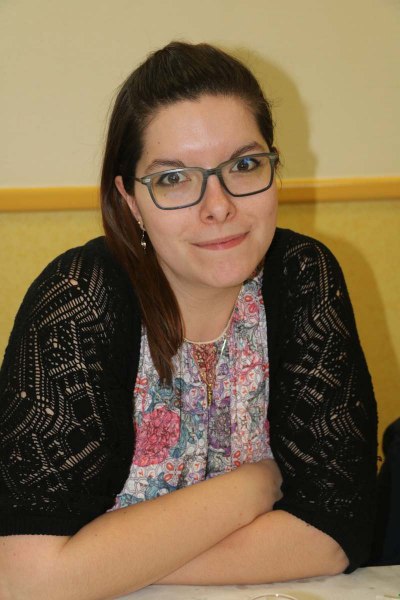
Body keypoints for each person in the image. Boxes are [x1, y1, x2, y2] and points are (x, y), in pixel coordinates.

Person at [0, 41, 377, 600]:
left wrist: (98, 563)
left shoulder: (304, 277)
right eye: (174, 178)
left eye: (244, 166)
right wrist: (254, 487)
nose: (218, 206)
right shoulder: (79, 300)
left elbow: (337, 535)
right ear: (130, 200)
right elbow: (27, 578)